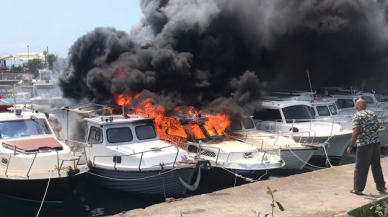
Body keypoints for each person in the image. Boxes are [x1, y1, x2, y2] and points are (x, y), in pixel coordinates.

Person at [347, 99, 386, 195]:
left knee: (361, 167)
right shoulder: (372, 114)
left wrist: (351, 146)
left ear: (357, 107)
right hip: (376, 143)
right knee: (376, 165)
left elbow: (356, 131)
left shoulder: (357, 115)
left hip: (364, 144)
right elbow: (377, 126)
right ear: (365, 106)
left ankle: (358, 189)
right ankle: (381, 186)